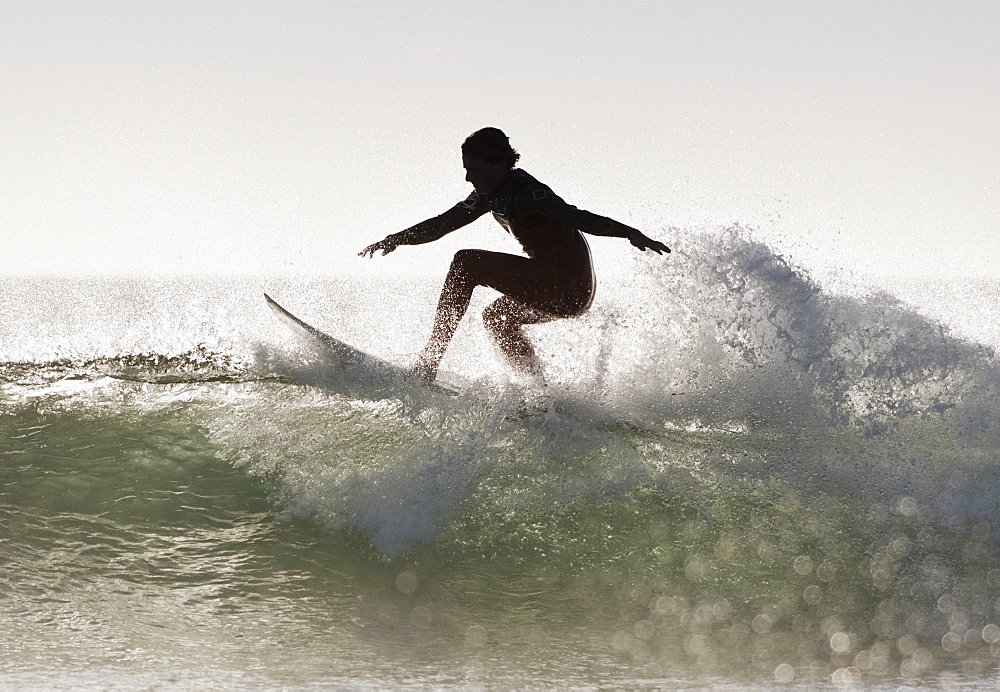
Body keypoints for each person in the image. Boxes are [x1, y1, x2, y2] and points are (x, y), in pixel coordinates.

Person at [359, 127, 669, 386]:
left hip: (567, 285)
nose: (469, 177)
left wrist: (629, 232)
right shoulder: (489, 193)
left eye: (474, 169)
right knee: (496, 318)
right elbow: (444, 223)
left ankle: (428, 363)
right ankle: (540, 395)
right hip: (557, 286)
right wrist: (396, 239)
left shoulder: (527, 192)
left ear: (498, 164)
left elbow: (577, 217)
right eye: (467, 169)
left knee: (466, 262)